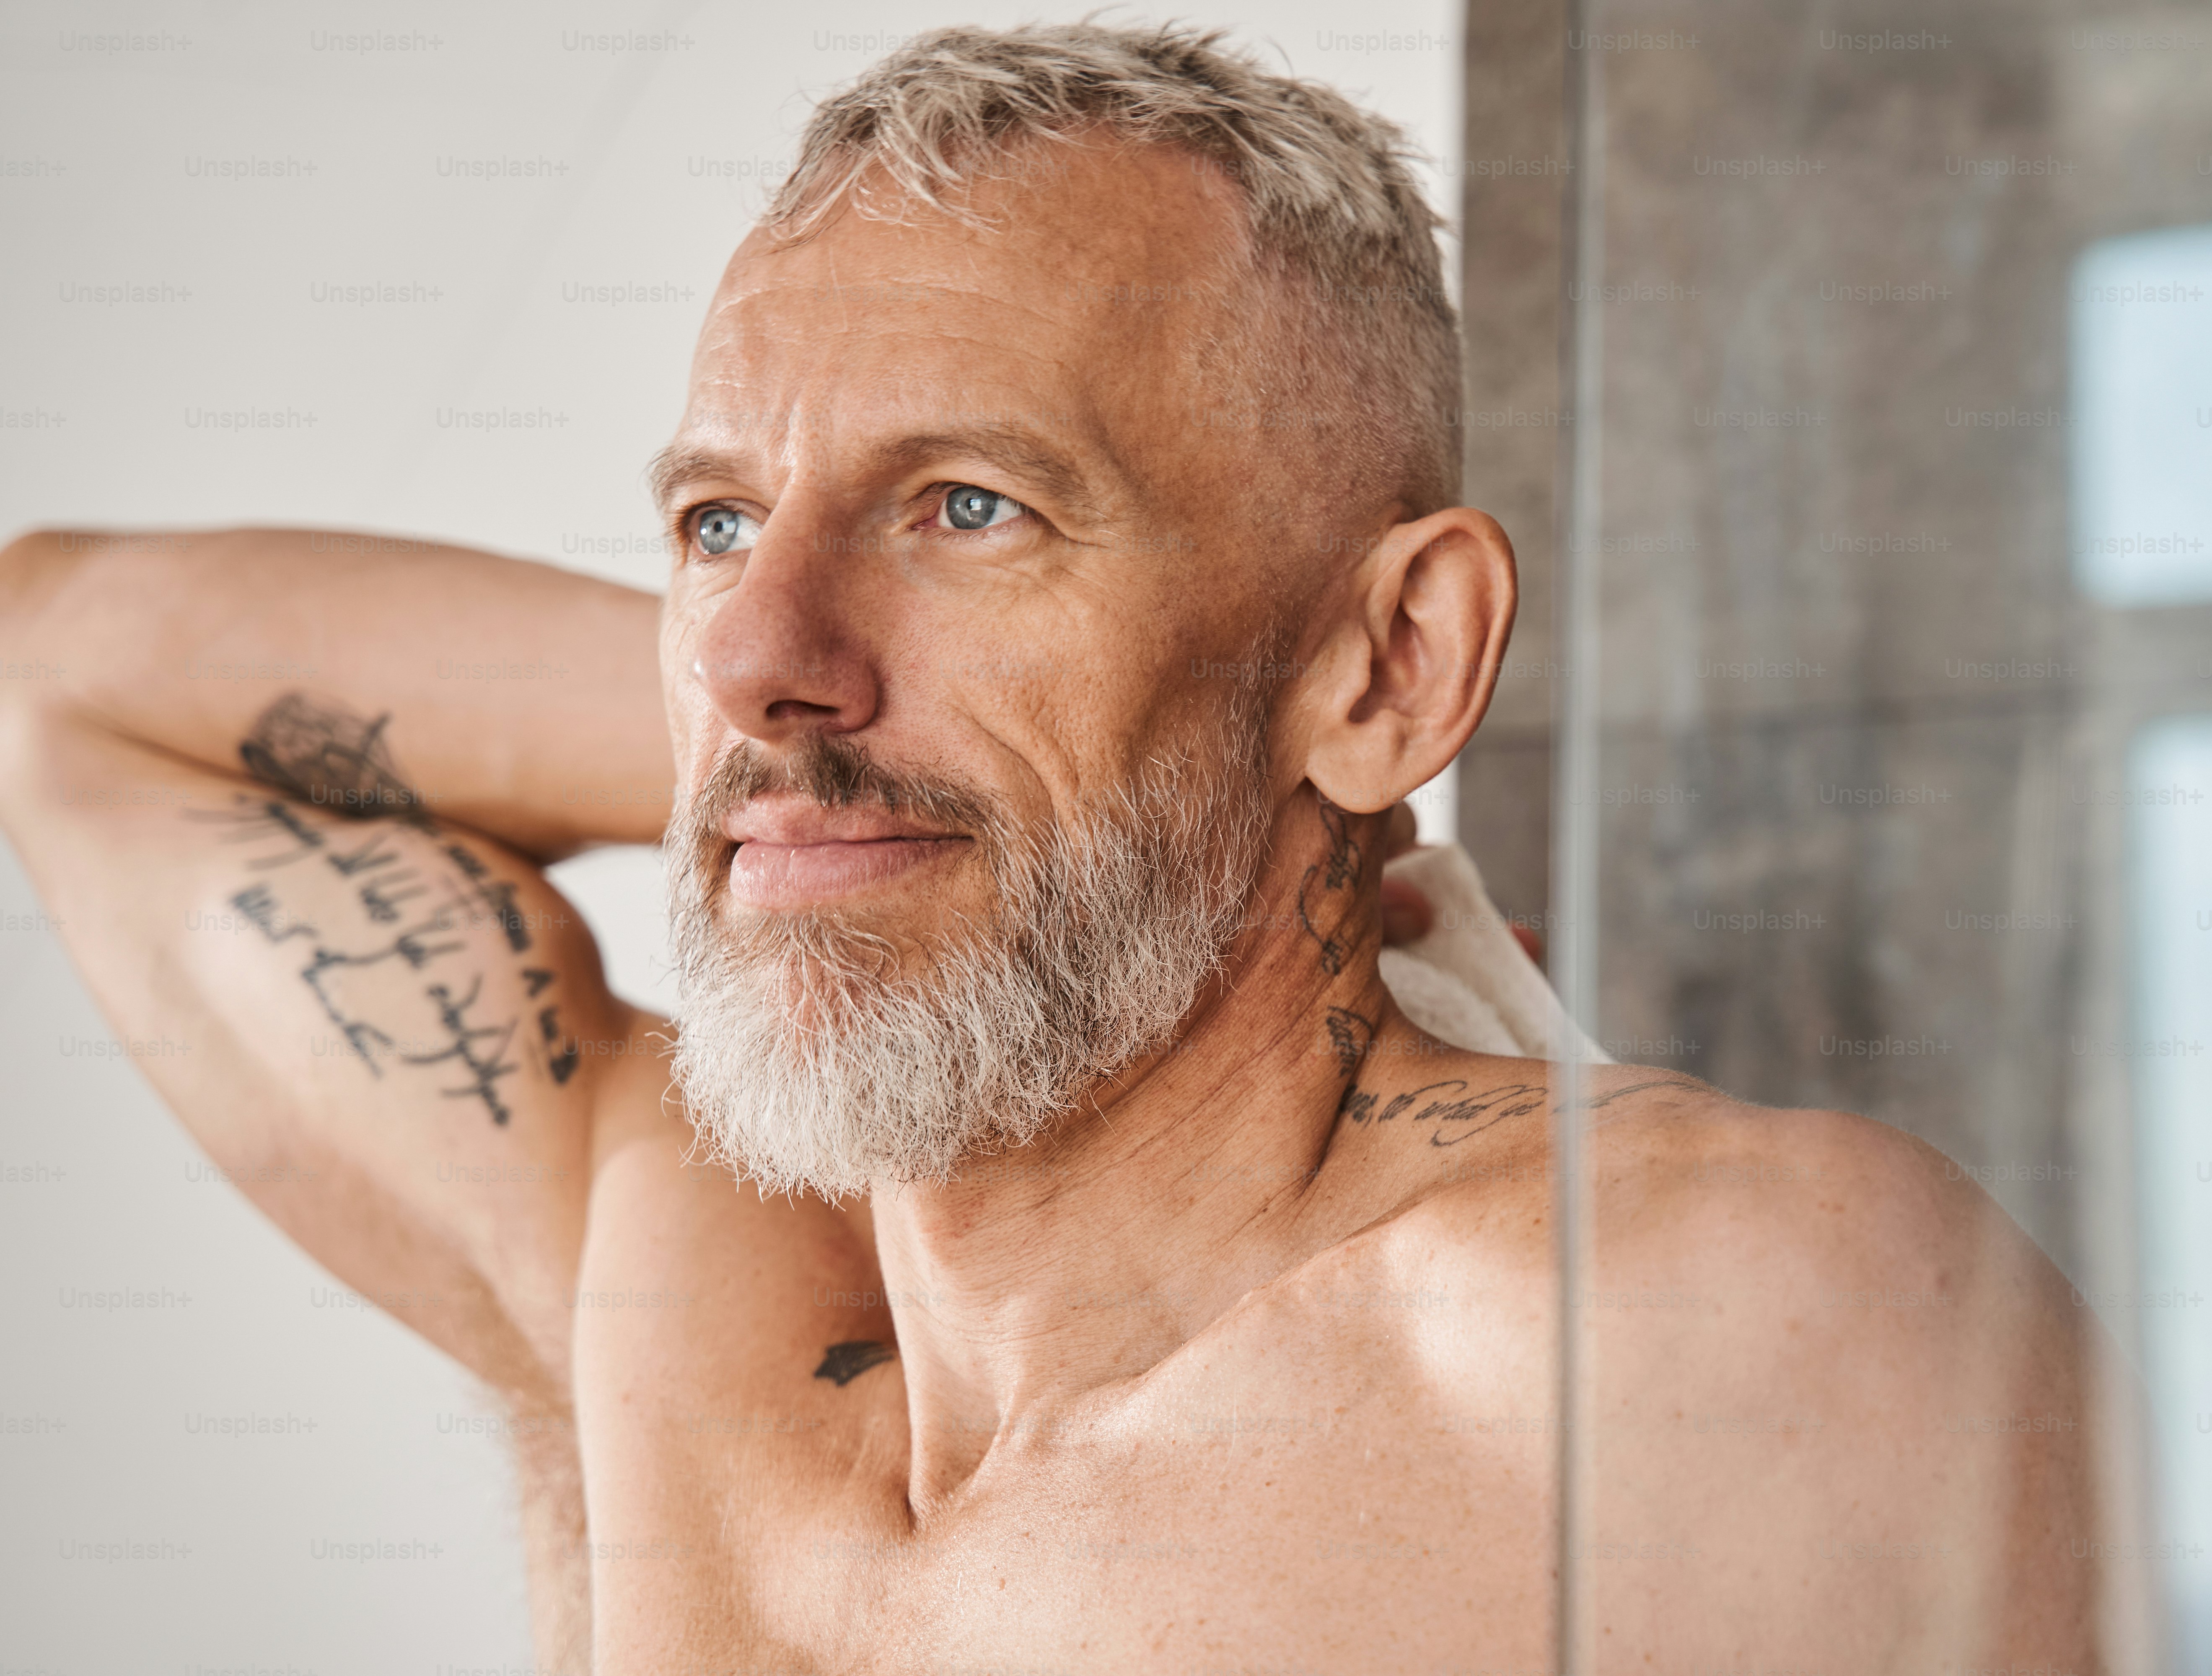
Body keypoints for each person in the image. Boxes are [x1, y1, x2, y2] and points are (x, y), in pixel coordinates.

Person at [0, 21, 2105, 1673]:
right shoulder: (680, 1273)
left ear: (1395, 655)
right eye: (718, 525)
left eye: (971, 510)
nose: (753, 648)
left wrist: (1188, 765)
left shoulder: (1723, 1331)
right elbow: (66, 675)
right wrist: (871, 756)